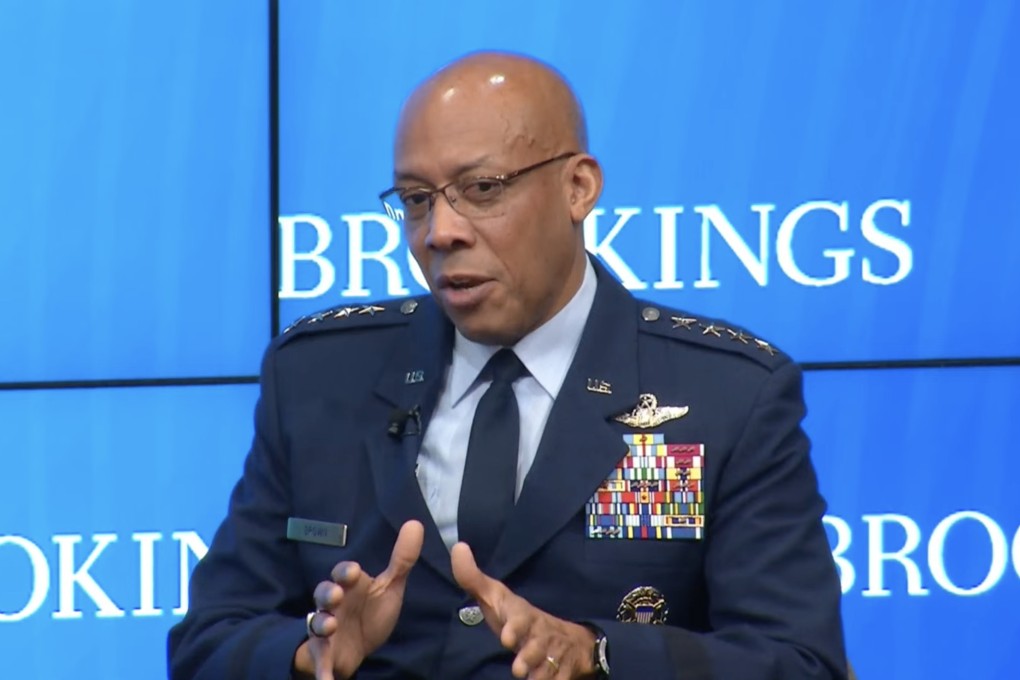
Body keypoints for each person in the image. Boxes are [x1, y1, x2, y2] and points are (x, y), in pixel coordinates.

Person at [168, 51, 847, 679]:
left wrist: (599, 653)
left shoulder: (727, 393)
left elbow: (799, 661)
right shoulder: (318, 378)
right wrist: (305, 651)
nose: (441, 231)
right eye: (415, 200)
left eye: (483, 188)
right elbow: (208, 642)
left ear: (578, 188)